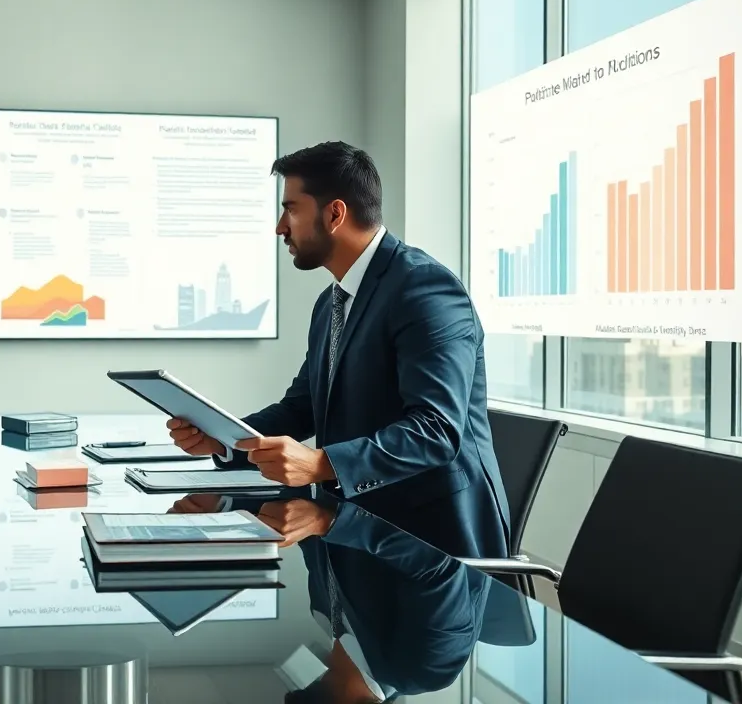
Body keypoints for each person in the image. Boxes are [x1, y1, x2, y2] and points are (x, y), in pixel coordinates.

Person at [166, 141, 510, 559]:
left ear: (334, 214)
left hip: (432, 545)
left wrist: (320, 464)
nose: (280, 227)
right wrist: (224, 440)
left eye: (291, 210)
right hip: (351, 529)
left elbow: (435, 431)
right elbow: (301, 408)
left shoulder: (426, 290)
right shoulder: (331, 303)